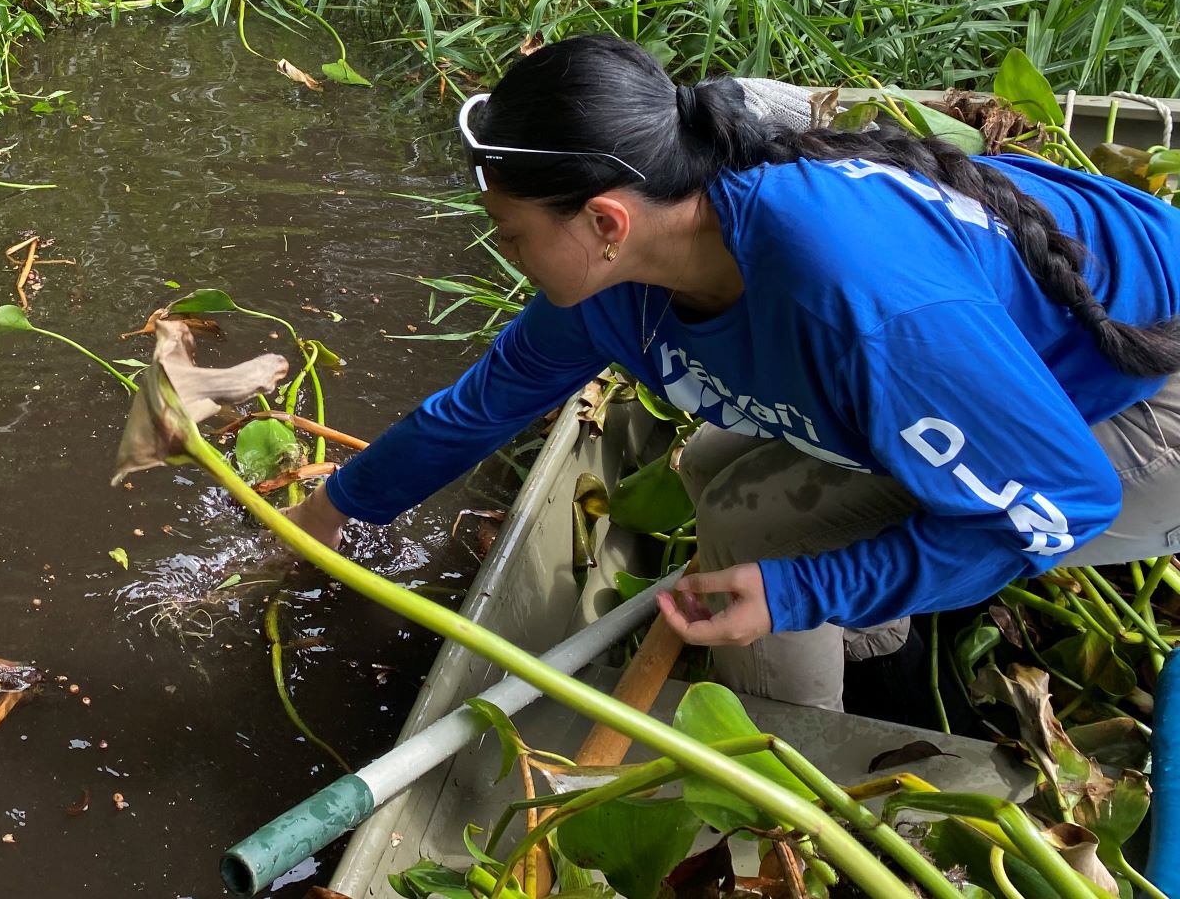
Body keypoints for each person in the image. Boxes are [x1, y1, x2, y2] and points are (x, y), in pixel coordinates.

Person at [286, 35, 1180, 711]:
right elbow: (475, 410)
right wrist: (317, 519)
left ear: (605, 223)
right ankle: (877, 652)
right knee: (715, 464)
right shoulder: (625, 268)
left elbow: (1064, 501)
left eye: (513, 234)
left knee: (754, 527)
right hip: (994, 375)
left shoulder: (855, 297)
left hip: (1140, 408)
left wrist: (800, 592)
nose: (502, 251)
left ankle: (786, 796)